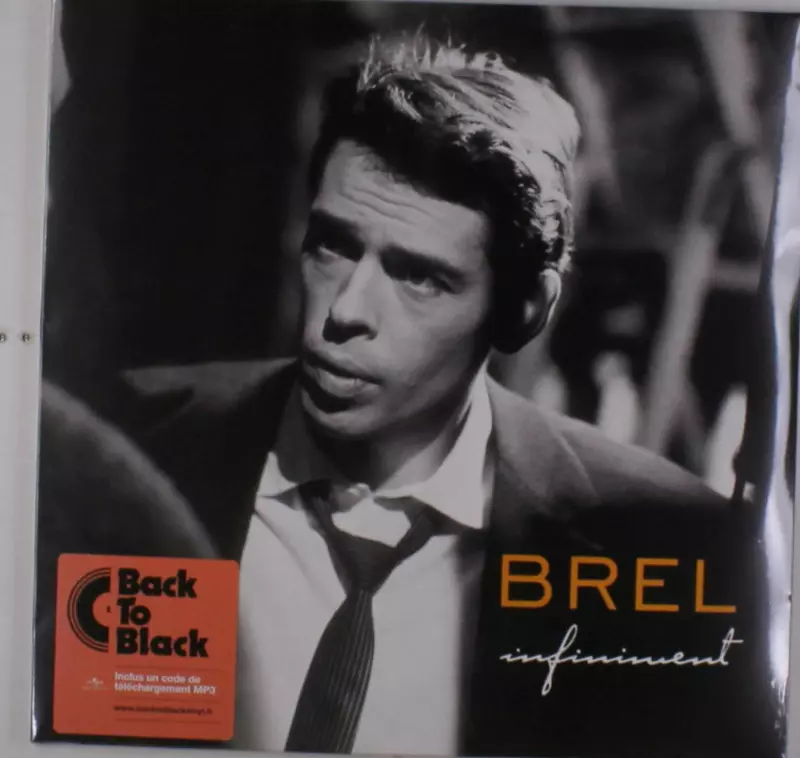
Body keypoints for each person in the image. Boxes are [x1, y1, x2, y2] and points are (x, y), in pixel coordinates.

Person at [35, 33, 781, 758]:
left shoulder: (667, 545)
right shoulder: (125, 451)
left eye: (419, 276)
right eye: (333, 245)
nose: (345, 311)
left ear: (525, 311)